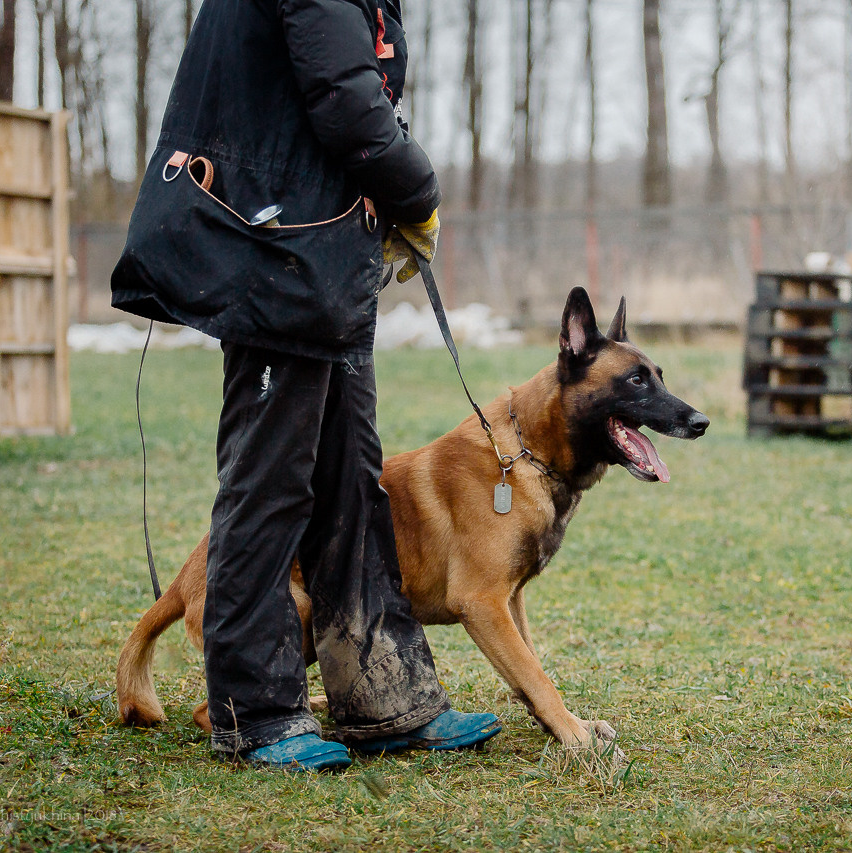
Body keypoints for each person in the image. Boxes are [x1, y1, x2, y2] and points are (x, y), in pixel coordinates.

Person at [111, 0, 499, 771]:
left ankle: (379, 696)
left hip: (323, 257)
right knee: (269, 481)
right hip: (275, 252)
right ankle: (251, 712)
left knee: (353, 481)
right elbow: (345, 99)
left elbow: (354, 87)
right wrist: (416, 192)